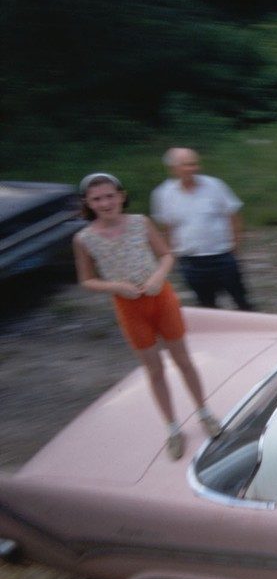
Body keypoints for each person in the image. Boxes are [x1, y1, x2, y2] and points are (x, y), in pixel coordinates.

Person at [74, 173, 222, 460]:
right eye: (97, 199)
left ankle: (204, 412)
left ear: (121, 196)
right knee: (154, 370)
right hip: (128, 306)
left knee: (183, 360)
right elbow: (86, 280)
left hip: (161, 298)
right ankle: (172, 427)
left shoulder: (140, 222)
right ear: (88, 203)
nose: (105, 203)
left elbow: (166, 255)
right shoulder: (84, 239)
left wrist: (157, 277)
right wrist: (114, 286)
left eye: (109, 196)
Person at [151, 147, 253, 310]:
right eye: (187, 165)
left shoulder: (214, 185)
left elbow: (233, 215)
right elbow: (167, 227)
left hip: (222, 256)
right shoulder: (163, 194)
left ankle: (255, 331)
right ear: (173, 169)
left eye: (195, 164)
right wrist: (172, 256)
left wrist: (236, 246)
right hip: (191, 261)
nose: (193, 168)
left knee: (241, 300)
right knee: (207, 305)